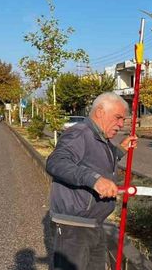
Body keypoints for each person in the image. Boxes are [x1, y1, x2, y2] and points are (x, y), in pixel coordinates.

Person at [46, 92, 137, 270]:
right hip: (74, 227)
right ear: (100, 112)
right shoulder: (80, 133)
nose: (120, 125)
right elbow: (56, 162)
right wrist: (94, 180)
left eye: (123, 120)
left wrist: (120, 151)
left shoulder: (100, 138)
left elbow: (95, 162)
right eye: (118, 118)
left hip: (94, 223)